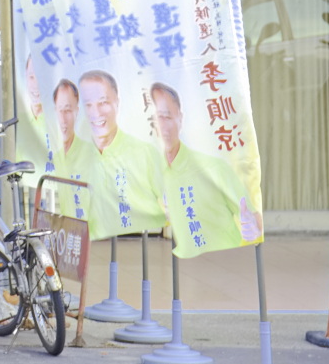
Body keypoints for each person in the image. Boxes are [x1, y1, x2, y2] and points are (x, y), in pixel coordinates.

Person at [150, 82, 262, 252]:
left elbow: (253, 216)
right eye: (157, 118)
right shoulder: (146, 169)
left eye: (167, 117)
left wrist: (252, 227)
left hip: (223, 259)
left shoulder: (214, 168)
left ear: (181, 118)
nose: (162, 125)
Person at [79, 69, 166, 234]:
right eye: (88, 105)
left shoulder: (145, 152)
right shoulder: (75, 155)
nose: (95, 112)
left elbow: (169, 202)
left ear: (117, 103)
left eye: (103, 102)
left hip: (142, 238)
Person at [50, 78, 118, 234]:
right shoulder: (54, 157)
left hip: (84, 232)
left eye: (68, 110)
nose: (63, 119)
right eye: (60, 110)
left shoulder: (90, 153)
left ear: (77, 111)